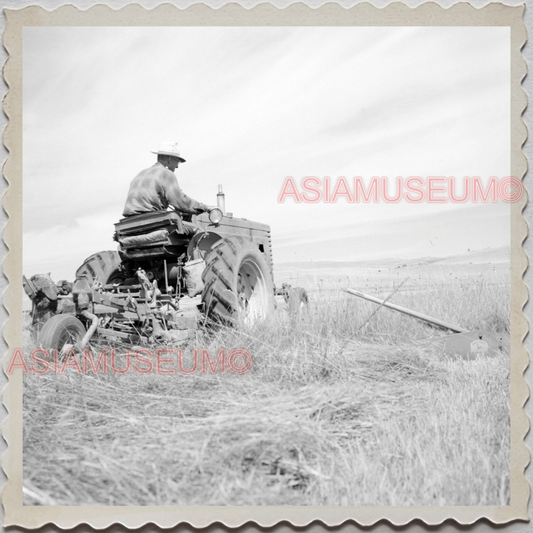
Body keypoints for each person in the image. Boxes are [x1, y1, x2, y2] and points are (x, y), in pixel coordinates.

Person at [123, 141, 210, 217]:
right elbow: (181, 202)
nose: (177, 166)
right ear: (169, 159)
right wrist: (205, 208)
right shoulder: (166, 174)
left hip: (130, 221)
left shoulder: (140, 173)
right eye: (177, 161)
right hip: (150, 219)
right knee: (197, 231)